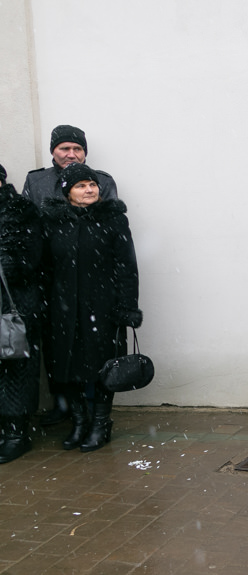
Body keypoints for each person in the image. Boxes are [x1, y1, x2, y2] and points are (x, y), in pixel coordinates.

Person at [23, 125, 119, 428]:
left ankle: (93, 409)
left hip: (91, 277)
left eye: (77, 149)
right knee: (56, 346)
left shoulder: (101, 181)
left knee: (93, 345)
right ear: (53, 151)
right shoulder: (36, 181)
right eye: (65, 148)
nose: (71, 154)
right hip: (50, 275)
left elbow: (110, 221)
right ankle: (64, 405)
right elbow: (28, 223)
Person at [41, 163, 141, 453]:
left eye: (92, 184)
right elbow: (46, 268)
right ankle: (79, 422)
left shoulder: (113, 220)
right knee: (67, 366)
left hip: (102, 307)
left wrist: (126, 307)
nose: (89, 190)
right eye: (81, 185)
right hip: (63, 309)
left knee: (103, 367)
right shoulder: (53, 222)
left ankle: (100, 424)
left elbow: (127, 267)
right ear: (67, 192)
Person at [0, 164, 43, 463]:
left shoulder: (20, 210)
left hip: (14, 304)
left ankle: (17, 433)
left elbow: (29, 258)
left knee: (15, 368)